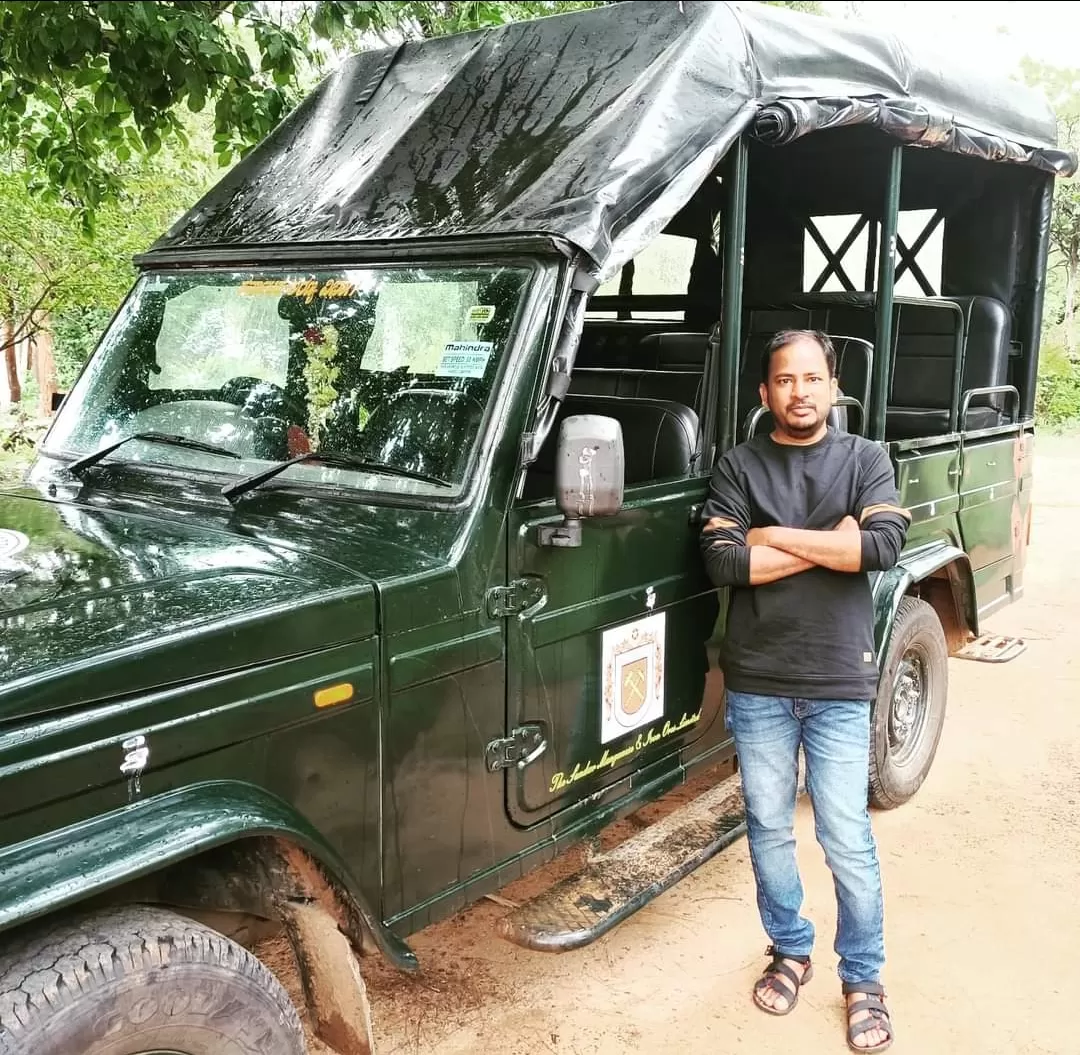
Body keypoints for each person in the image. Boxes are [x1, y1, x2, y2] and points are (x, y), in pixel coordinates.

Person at [699, 330, 910, 1053]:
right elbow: (726, 563)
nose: (799, 392)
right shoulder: (739, 463)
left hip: (838, 680)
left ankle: (864, 978)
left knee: (845, 836)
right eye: (785, 380)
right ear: (766, 393)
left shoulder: (865, 458)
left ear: (832, 388)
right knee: (767, 827)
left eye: (812, 378)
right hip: (758, 680)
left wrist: (772, 538)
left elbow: (880, 548)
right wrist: (828, 542)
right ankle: (790, 947)